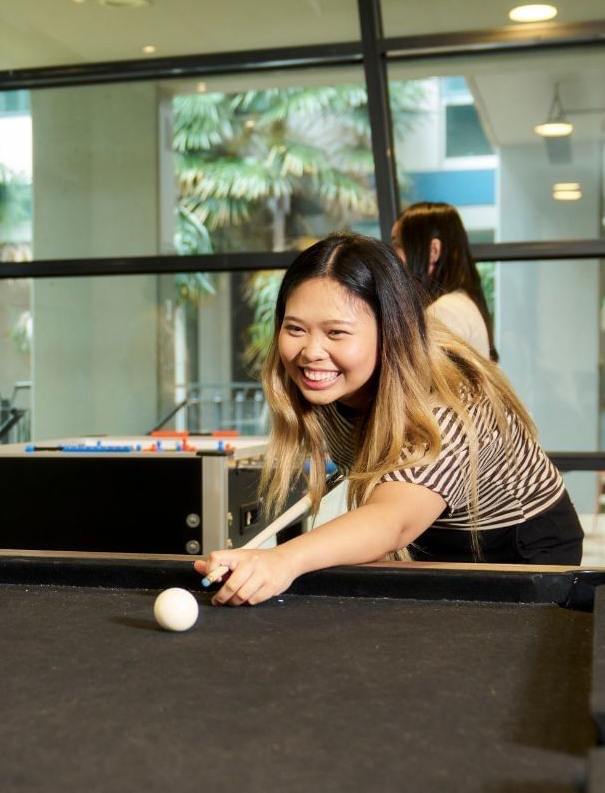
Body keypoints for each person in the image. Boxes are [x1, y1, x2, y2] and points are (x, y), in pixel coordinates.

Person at [196, 233, 582, 606]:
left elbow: (391, 521)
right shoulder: (328, 383)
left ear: (391, 332)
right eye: (295, 328)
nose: (311, 351)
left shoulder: (447, 400)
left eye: (336, 332)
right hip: (433, 532)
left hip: (523, 544)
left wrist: (282, 560)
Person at [392, 201, 496, 360]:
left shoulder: (446, 312)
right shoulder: (458, 303)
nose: (392, 256)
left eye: (398, 245)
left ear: (434, 251)